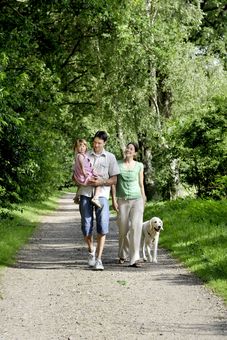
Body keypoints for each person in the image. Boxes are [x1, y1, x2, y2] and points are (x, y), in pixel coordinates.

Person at [75, 131, 119, 271]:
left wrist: (102, 181)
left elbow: (114, 179)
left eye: (99, 143)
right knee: (86, 226)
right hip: (85, 193)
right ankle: (91, 251)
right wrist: (80, 179)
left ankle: (99, 259)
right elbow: (74, 175)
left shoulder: (110, 157)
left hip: (102, 195)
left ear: (104, 143)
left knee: (103, 225)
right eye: (94, 142)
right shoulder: (83, 155)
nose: (96, 145)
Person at [112, 142, 147, 268]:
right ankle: (122, 254)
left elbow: (141, 183)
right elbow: (114, 183)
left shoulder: (139, 165)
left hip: (137, 199)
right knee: (123, 229)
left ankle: (135, 258)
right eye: (127, 147)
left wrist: (144, 198)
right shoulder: (117, 164)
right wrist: (113, 199)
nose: (128, 150)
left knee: (135, 228)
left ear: (135, 153)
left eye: (131, 149)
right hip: (122, 200)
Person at [73, 138, 102, 208]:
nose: (82, 148)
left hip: (81, 176)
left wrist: (94, 172)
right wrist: (85, 174)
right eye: (80, 146)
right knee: (99, 182)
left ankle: (76, 197)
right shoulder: (80, 156)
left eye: (83, 146)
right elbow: (82, 166)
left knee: (80, 186)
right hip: (83, 176)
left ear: (86, 147)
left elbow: (89, 166)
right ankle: (95, 198)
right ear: (76, 148)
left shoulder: (83, 156)